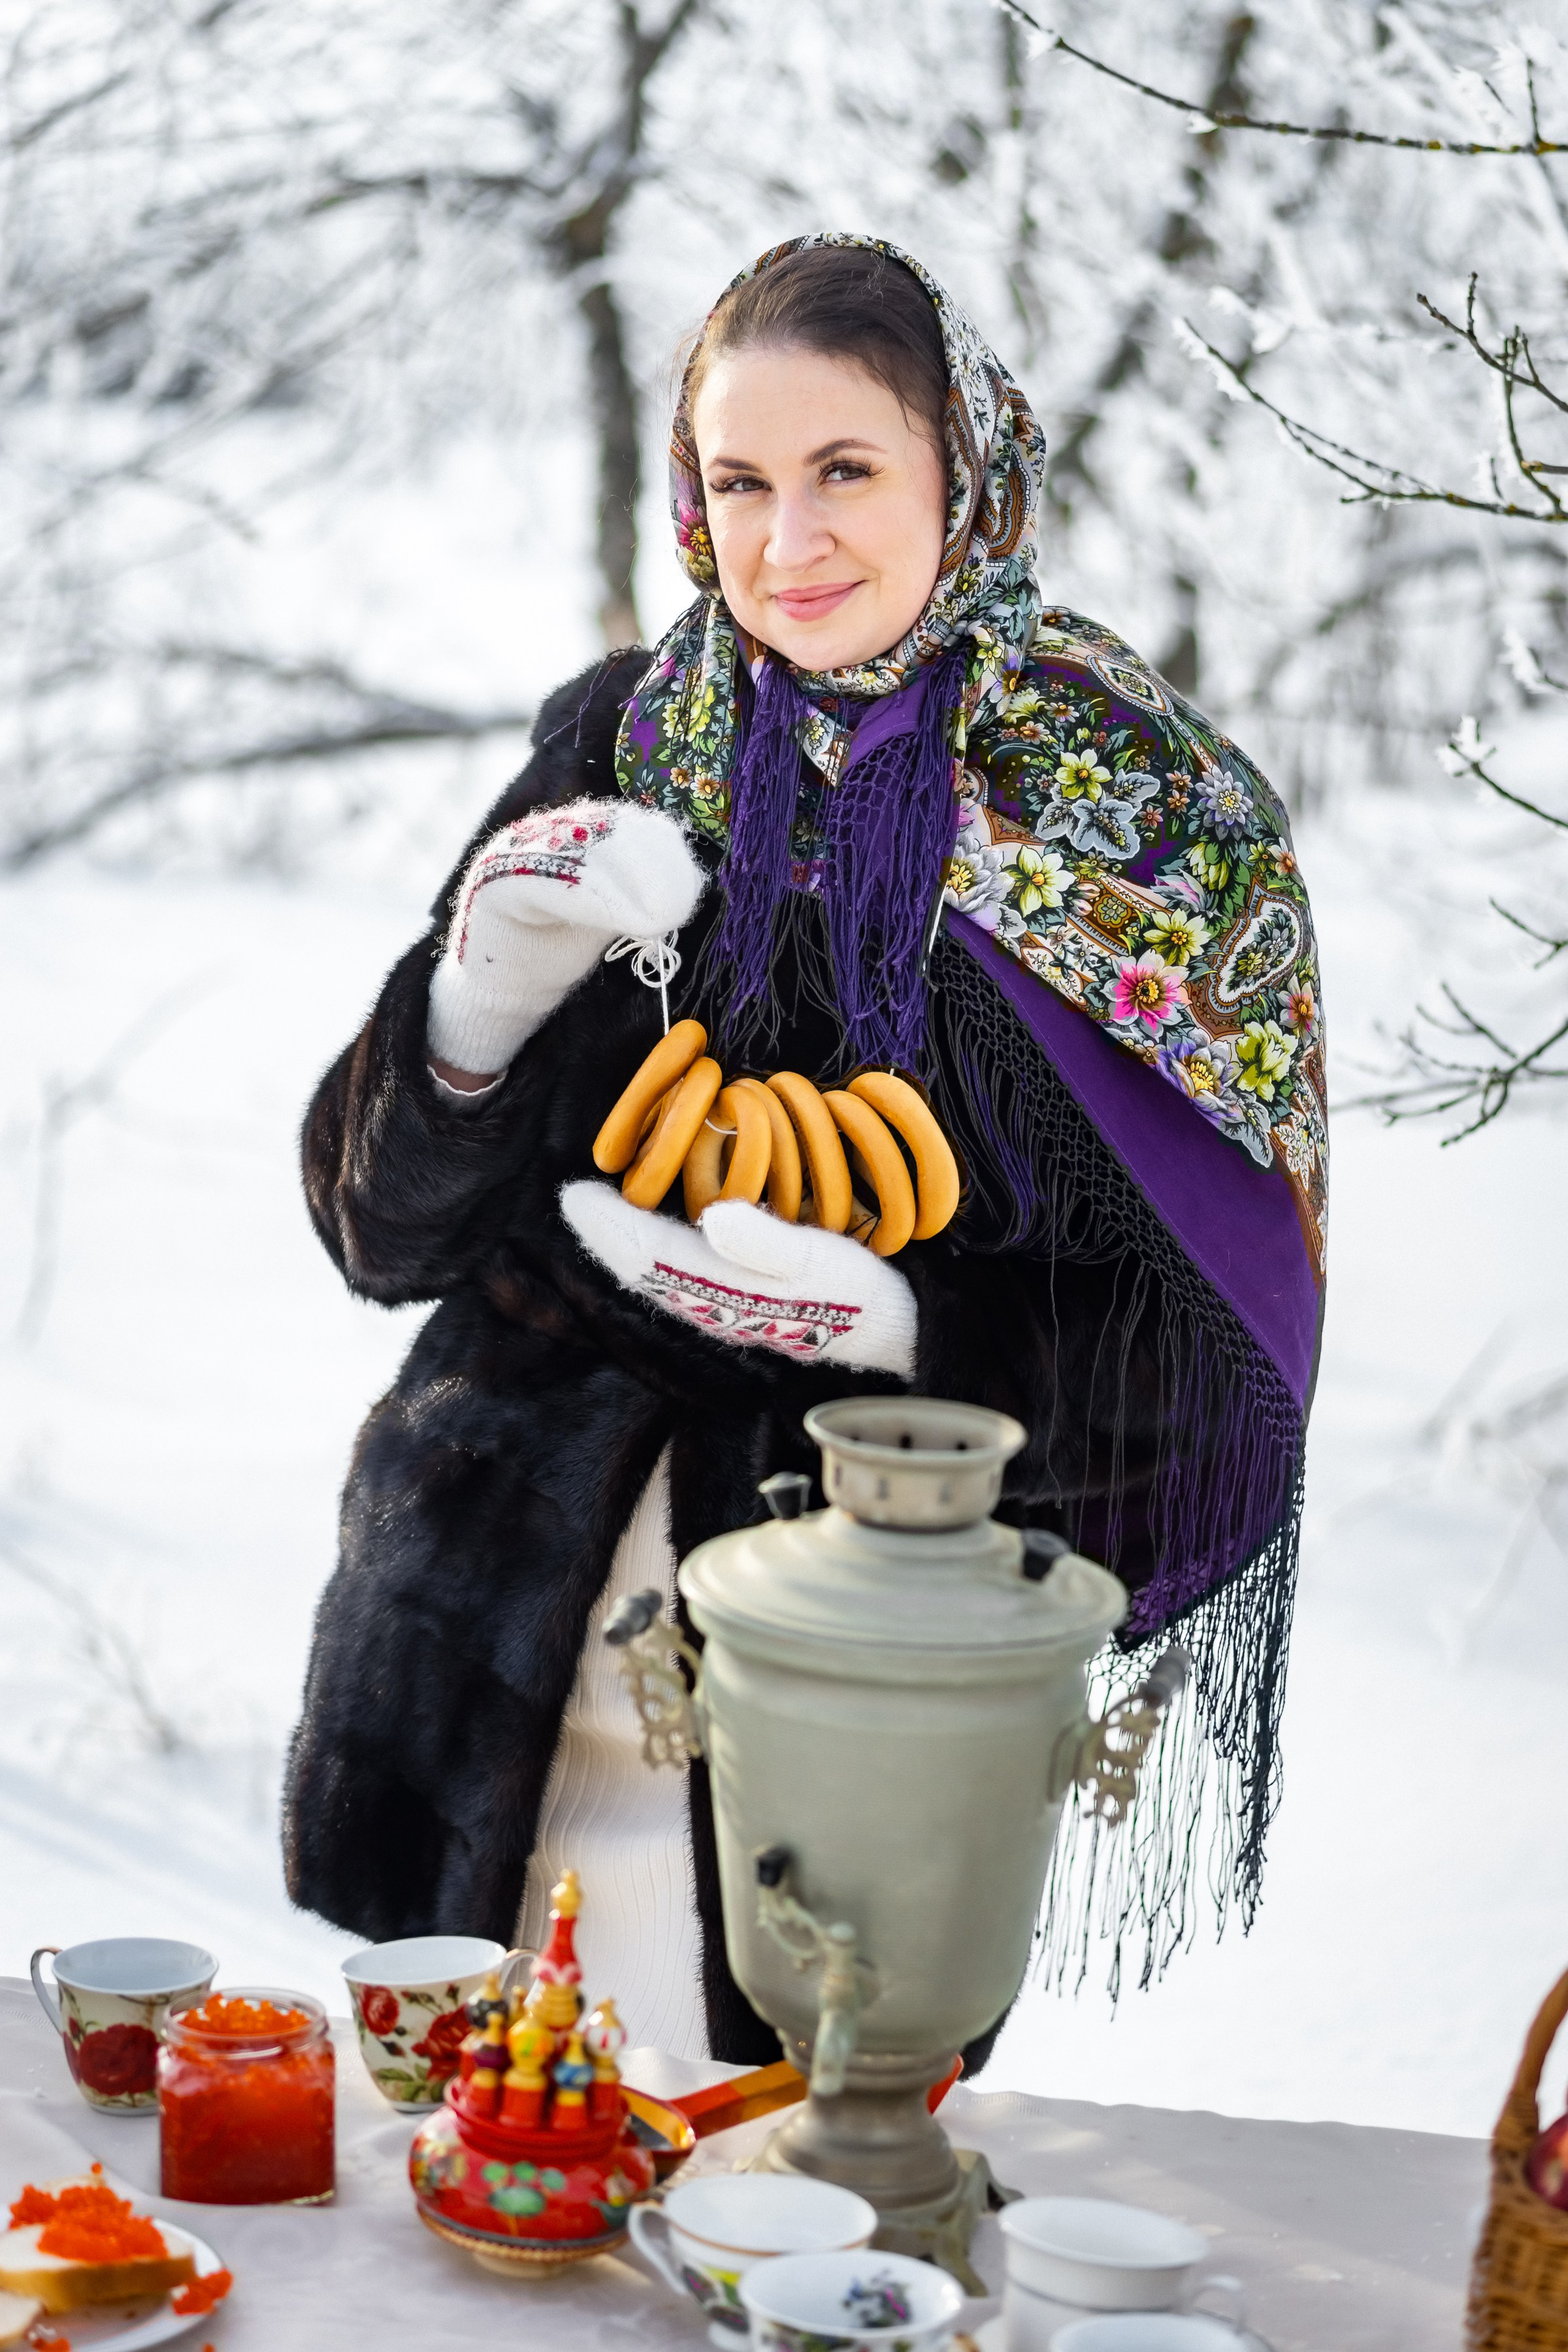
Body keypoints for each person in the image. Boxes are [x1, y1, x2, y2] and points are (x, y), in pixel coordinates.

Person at [284, 235, 1326, 2065]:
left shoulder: (1141, 831)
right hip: (465, 1723)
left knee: (777, 2253)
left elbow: (1201, 1358)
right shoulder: (626, 741)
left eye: (847, 471)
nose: (786, 544)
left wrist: (891, 1348)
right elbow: (382, 1232)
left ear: (966, 476)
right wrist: (474, 1006)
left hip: (841, 1785)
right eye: (741, 483)